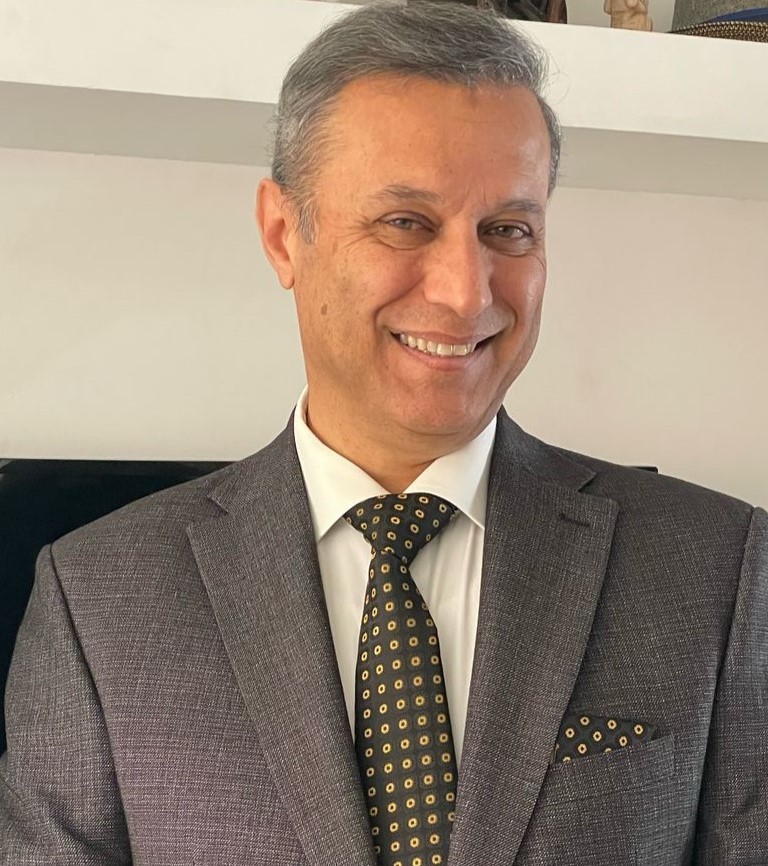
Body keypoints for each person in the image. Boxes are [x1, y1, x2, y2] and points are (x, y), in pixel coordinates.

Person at [1, 2, 766, 864]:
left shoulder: (719, 568)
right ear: (283, 235)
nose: (465, 292)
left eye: (507, 230)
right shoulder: (97, 598)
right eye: (406, 222)